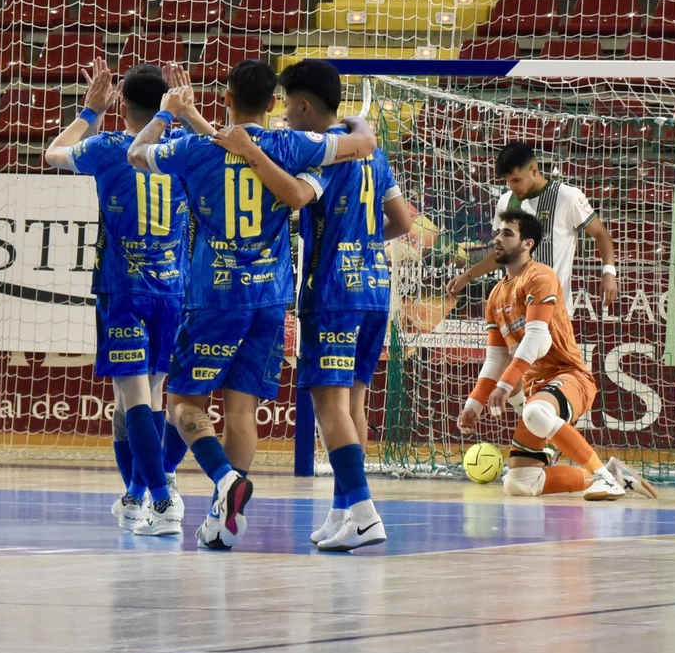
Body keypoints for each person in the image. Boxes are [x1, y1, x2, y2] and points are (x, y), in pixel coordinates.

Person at [127, 59, 378, 549]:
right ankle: (222, 522)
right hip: (270, 299)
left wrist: (167, 113)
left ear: (225, 98)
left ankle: (224, 480)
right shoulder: (292, 144)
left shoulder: (196, 149)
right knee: (241, 410)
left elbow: (138, 153)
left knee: (180, 403)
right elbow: (363, 145)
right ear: (271, 105)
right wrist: (355, 122)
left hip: (214, 295)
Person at [243, 58, 417, 550]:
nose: (283, 118)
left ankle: (363, 513)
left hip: (333, 292)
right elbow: (402, 223)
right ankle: (343, 511)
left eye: (286, 109)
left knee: (328, 403)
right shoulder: (370, 153)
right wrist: (359, 241)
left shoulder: (321, 154)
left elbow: (296, 197)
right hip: (375, 287)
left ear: (302, 104)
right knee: (353, 402)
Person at [43, 59, 210, 535]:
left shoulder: (108, 146)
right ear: (165, 104)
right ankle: (136, 496)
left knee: (134, 397)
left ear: (123, 107)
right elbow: (222, 148)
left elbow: (54, 152)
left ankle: (162, 501)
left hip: (123, 288)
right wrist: (182, 114)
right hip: (174, 290)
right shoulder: (183, 149)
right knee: (146, 400)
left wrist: (91, 109)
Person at [457, 210, 656, 501]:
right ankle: (609, 474)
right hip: (536, 388)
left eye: (507, 234)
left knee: (535, 411)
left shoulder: (540, 276)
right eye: (498, 233)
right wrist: (474, 402)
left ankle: (604, 479)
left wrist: (503, 385)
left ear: (527, 244)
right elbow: (496, 358)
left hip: (569, 377)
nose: (498, 239)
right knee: (520, 484)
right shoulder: (496, 295)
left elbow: (537, 337)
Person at [447, 142, 619, 313]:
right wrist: (468, 276)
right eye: (508, 182)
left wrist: (609, 273)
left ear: (534, 170)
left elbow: (601, 234)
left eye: (516, 180)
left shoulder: (567, 197)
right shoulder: (506, 201)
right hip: (514, 311)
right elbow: (499, 254)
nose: (512, 187)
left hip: (554, 310)